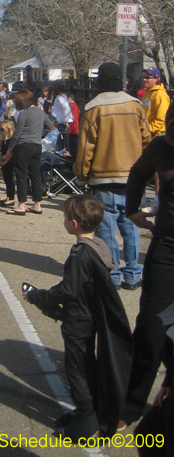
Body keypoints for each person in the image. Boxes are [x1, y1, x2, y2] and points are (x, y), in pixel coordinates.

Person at [23, 194, 133, 442]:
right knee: (86, 363)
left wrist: (39, 296)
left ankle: (86, 414)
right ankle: (90, 407)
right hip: (91, 316)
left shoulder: (80, 255)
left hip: (78, 321)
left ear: (74, 224)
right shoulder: (99, 245)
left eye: (64, 217)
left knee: (76, 370)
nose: (63, 220)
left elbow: (68, 291)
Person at [74, 61, 151, 289]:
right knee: (132, 227)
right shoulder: (135, 106)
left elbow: (85, 148)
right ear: (121, 81)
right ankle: (133, 274)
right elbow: (146, 140)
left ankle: (113, 274)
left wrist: (82, 176)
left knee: (106, 230)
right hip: (132, 177)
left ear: (100, 82)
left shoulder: (93, 108)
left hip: (102, 178)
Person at [121, 103, 174, 426]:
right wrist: (132, 210)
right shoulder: (160, 146)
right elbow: (138, 173)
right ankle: (130, 403)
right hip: (166, 248)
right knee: (152, 328)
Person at [0, 89, 52, 215]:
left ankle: (21, 205)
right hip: (37, 146)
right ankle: (37, 204)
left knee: (21, 175)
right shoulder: (41, 112)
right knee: (35, 174)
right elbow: (50, 126)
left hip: (23, 146)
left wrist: (10, 149)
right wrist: (39, 135)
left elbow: (17, 134)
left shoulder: (24, 114)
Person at [140, 67, 171, 136]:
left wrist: (148, 129)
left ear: (156, 79)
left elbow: (161, 119)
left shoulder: (160, 94)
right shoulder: (147, 93)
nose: (144, 80)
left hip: (157, 134)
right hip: (146, 131)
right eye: (144, 77)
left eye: (148, 78)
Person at [0, 119, 16, 207]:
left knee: (10, 180)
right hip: (4, 162)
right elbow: (1, 151)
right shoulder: (4, 140)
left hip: (9, 162)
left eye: (2, 130)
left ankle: (11, 198)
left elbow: (10, 154)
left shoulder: (11, 141)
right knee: (6, 180)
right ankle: (8, 197)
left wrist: (4, 161)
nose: (0, 132)